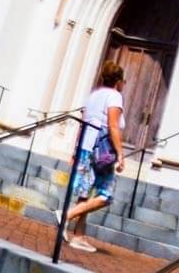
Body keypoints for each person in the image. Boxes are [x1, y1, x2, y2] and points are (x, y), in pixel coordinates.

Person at [63, 60, 126, 253]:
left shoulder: (93, 96)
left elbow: (83, 123)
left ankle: (79, 236)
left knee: (84, 193)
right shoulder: (114, 96)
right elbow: (113, 126)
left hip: (85, 147)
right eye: (123, 81)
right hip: (102, 151)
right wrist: (121, 154)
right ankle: (66, 215)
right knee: (105, 195)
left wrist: (75, 150)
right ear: (118, 81)